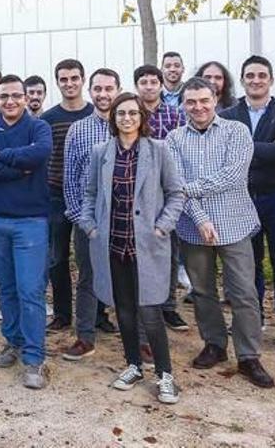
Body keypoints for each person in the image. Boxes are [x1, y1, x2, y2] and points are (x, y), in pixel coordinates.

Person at [167, 77, 275, 389]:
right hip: (192, 226)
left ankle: (248, 355)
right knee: (202, 291)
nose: (198, 107)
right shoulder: (174, 139)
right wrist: (200, 216)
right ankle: (214, 344)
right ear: (183, 104)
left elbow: (233, 174)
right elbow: (176, 181)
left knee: (243, 291)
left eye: (204, 100)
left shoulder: (236, 131)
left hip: (235, 223)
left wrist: (189, 190)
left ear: (215, 99)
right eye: (191, 102)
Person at [79, 92, 185, 404]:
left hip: (148, 246)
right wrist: (91, 226)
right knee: (123, 309)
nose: (127, 118)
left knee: (150, 312)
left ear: (142, 117)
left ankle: (165, 375)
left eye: (133, 113)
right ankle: (134, 365)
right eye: (121, 113)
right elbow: (89, 194)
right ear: (113, 118)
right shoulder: (101, 152)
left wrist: (161, 226)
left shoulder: (158, 150)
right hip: (113, 243)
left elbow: (176, 193)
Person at [0, 74, 52, 390]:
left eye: (15, 95)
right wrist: (20, 168)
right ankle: (14, 342)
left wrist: (2, 157)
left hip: (30, 223)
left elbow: (40, 153)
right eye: (3, 96)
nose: (9, 101)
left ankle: (34, 358)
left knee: (30, 290)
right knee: (5, 287)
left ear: (25, 97)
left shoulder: (38, 128)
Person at [220, 55, 275, 343]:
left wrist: (245, 149)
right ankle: (251, 319)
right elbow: (226, 154)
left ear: (270, 80)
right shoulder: (229, 116)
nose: (256, 80)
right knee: (247, 263)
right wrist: (270, 149)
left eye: (261, 75)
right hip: (241, 198)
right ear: (243, 79)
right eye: (250, 75)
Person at [61, 68, 122, 360]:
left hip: (126, 220)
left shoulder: (130, 124)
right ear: (91, 91)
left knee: (130, 278)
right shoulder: (78, 129)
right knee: (87, 278)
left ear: (117, 90)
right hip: (89, 219)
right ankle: (85, 337)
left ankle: (141, 339)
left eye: (108, 88)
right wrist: (80, 218)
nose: (103, 94)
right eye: (98, 89)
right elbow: (70, 177)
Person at [42, 59, 98, 333]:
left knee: (92, 258)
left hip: (90, 198)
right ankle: (63, 313)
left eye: (74, 78)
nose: (69, 83)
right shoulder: (48, 119)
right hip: (56, 195)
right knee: (57, 257)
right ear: (57, 82)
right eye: (64, 79)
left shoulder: (96, 115)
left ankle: (98, 314)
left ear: (82, 79)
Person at [134, 64, 190, 331]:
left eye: (153, 82)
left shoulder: (176, 115)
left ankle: (168, 307)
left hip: (167, 191)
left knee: (169, 251)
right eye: (143, 82)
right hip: (136, 195)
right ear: (137, 86)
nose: (148, 86)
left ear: (160, 85)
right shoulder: (130, 114)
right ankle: (142, 306)